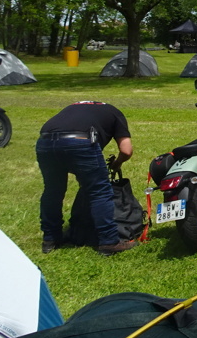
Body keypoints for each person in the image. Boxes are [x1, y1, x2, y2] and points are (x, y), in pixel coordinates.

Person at [35, 101, 136, 256]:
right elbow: (126, 150)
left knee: (52, 191)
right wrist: (117, 163)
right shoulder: (115, 113)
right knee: (99, 191)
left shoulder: (73, 107)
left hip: (45, 141)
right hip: (81, 141)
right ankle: (109, 242)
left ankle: (50, 239)